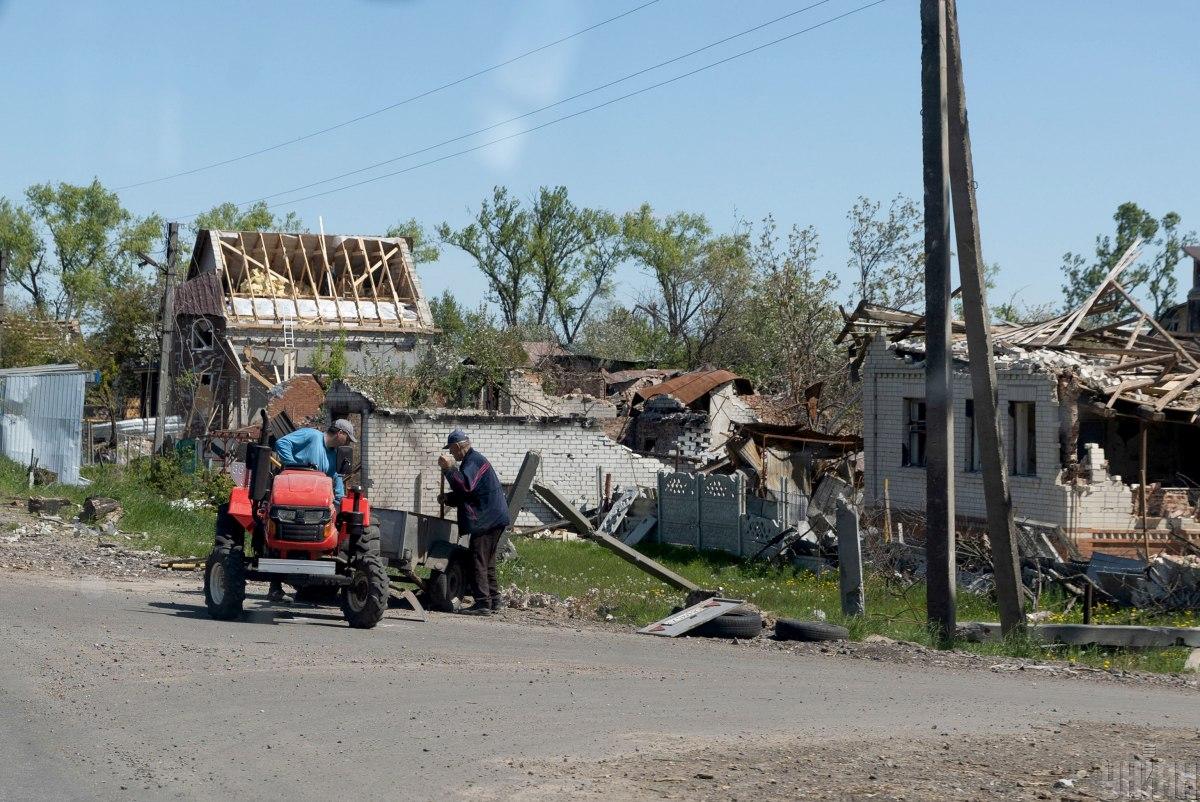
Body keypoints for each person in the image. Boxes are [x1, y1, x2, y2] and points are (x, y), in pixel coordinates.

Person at [266, 418, 357, 601]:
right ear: (340, 433)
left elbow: (335, 478)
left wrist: (339, 500)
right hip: (292, 494)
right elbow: (282, 443)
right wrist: (293, 465)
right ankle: (274, 586)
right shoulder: (311, 435)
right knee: (276, 530)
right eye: (348, 438)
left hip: (317, 504)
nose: (348, 443)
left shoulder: (333, 455)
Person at [437, 429, 510, 615]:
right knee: (487, 561)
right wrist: (449, 498)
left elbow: (466, 487)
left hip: (486, 519)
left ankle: (483, 603)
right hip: (494, 517)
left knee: (477, 559)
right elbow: (468, 493)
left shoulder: (473, 461)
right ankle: (494, 599)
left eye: (452, 450)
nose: (452, 454)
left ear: (458, 446)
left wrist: (449, 470)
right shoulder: (474, 461)